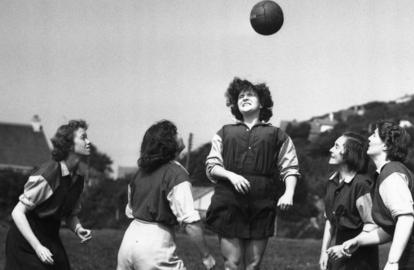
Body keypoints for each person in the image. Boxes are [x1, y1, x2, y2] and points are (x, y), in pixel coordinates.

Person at [205, 77, 300, 270]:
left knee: (253, 265)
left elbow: (290, 167)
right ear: (234, 103)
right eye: (240, 96)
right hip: (228, 201)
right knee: (232, 263)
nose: (245, 98)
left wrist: (288, 193)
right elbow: (211, 166)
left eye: (250, 95)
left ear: (262, 102)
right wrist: (231, 175)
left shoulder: (277, 134)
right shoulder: (224, 132)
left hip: (261, 203)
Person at [342, 120, 414, 270]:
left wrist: (392, 261)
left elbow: (405, 219)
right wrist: (359, 241)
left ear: (386, 145)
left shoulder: (391, 173)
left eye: (374, 135)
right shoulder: (386, 173)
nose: (368, 138)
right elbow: (392, 229)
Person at [116, 120, 215, 270]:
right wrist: (206, 256)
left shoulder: (139, 173)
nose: (179, 135)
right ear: (168, 142)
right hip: (155, 244)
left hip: (128, 241)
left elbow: (130, 211)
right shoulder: (176, 173)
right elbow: (191, 223)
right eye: (175, 133)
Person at [4, 120, 93, 270]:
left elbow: (70, 215)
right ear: (69, 144)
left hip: (51, 236)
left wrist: (78, 229)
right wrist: (38, 247)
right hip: (25, 241)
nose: (88, 142)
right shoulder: (48, 173)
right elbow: (17, 212)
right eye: (83, 137)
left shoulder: (79, 176)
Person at [319, 132, 379, 270]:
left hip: (361, 257)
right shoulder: (331, 182)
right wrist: (324, 252)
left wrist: (347, 247)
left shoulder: (361, 185)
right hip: (338, 252)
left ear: (348, 153)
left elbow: (372, 225)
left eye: (336, 146)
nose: (330, 150)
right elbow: (330, 220)